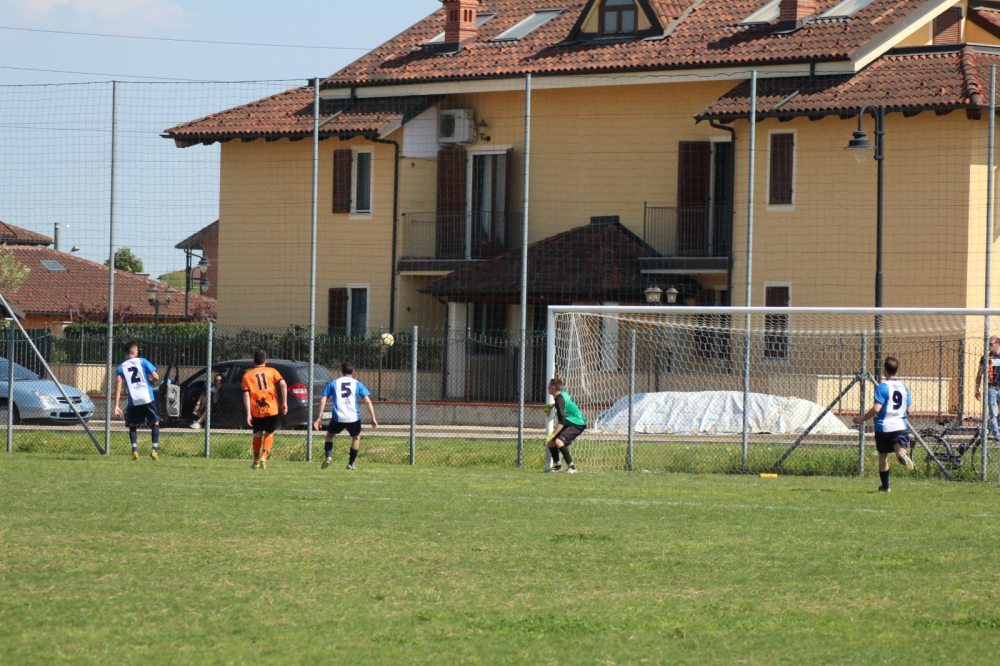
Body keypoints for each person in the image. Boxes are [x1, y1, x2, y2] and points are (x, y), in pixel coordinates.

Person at [853, 355, 915, 492]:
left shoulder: (882, 387)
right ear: (896, 370)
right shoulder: (904, 388)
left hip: (884, 427)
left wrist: (861, 419)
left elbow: (877, 408)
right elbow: (909, 410)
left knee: (883, 456)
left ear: (884, 371)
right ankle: (902, 455)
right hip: (900, 426)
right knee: (899, 448)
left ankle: (885, 487)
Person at [314, 361, 378, 470]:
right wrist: (373, 418)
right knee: (356, 437)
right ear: (353, 372)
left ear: (341, 371)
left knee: (330, 435)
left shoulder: (334, 383)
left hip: (338, 417)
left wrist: (319, 418)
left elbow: (323, 398)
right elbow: (367, 401)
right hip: (353, 417)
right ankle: (351, 463)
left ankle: (328, 457)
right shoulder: (357, 384)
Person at [113, 340, 161, 461]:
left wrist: (117, 405)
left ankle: (135, 451)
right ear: (135, 351)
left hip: (133, 400)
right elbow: (156, 376)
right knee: (155, 422)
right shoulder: (142, 361)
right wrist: (152, 382)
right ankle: (154, 450)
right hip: (147, 397)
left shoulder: (121, 367)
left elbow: (118, 385)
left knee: (132, 425)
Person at [242, 350, 287, 470]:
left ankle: (256, 460)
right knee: (269, 433)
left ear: (253, 361)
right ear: (265, 361)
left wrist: (248, 414)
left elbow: (246, 395)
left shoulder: (247, 375)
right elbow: (283, 384)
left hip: (256, 410)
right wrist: (284, 402)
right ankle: (264, 456)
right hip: (272, 409)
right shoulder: (272, 371)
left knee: (257, 434)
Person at [544, 377, 585, 474]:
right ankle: (558, 466)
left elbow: (561, 422)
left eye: (549, 386)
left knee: (558, 441)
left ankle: (572, 467)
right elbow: (566, 402)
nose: (548, 387)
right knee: (551, 442)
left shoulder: (559, 400)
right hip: (571, 422)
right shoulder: (562, 395)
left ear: (553, 387)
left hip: (577, 423)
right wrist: (552, 405)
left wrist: (552, 434)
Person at [974, 336, 1000, 440]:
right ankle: (997, 436)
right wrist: (977, 389)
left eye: (991, 344)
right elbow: (979, 374)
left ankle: (995, 430)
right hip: (991, 389)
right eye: (988, 344)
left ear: (998, 344)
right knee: (993, 413)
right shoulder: (985, 358)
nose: (988, 346)